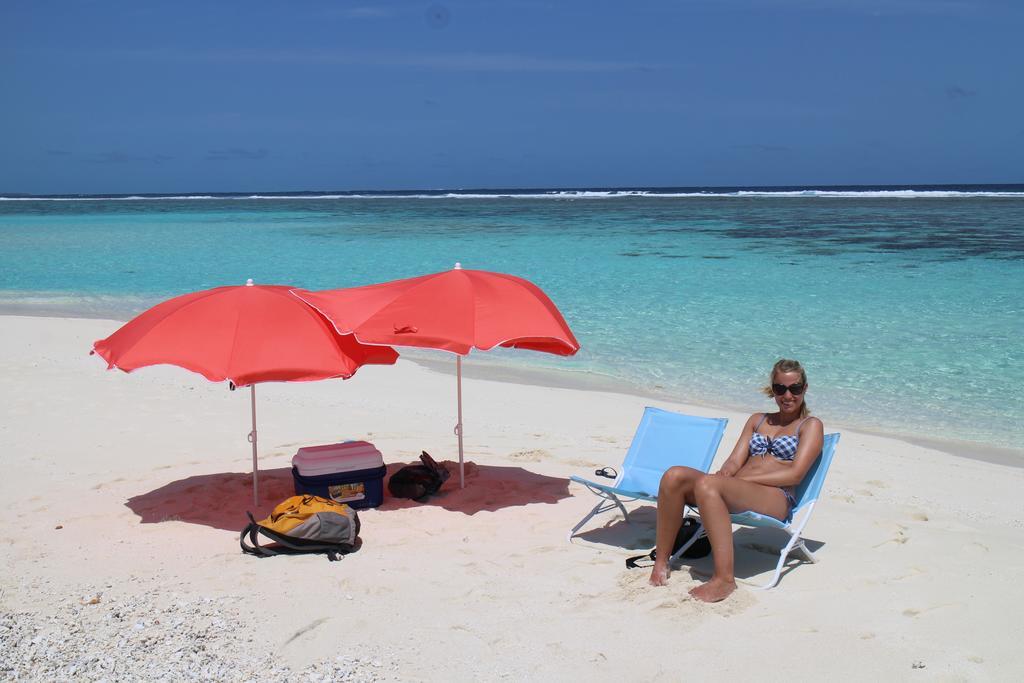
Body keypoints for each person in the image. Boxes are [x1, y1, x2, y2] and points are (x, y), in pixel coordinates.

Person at [648, 358, 824, 602]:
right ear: (772, 389)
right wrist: (725, 474)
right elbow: (734, 461)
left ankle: (724, 580)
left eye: (794, 389)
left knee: (707, 484)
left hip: (775, 497)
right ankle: (661, 562)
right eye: (780, 388)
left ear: (804, 389)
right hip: (741, 488)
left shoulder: (810, 425)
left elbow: (795, 473)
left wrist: (745, 477)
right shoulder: (757, 420)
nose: (787, 395)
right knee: (674, 476)